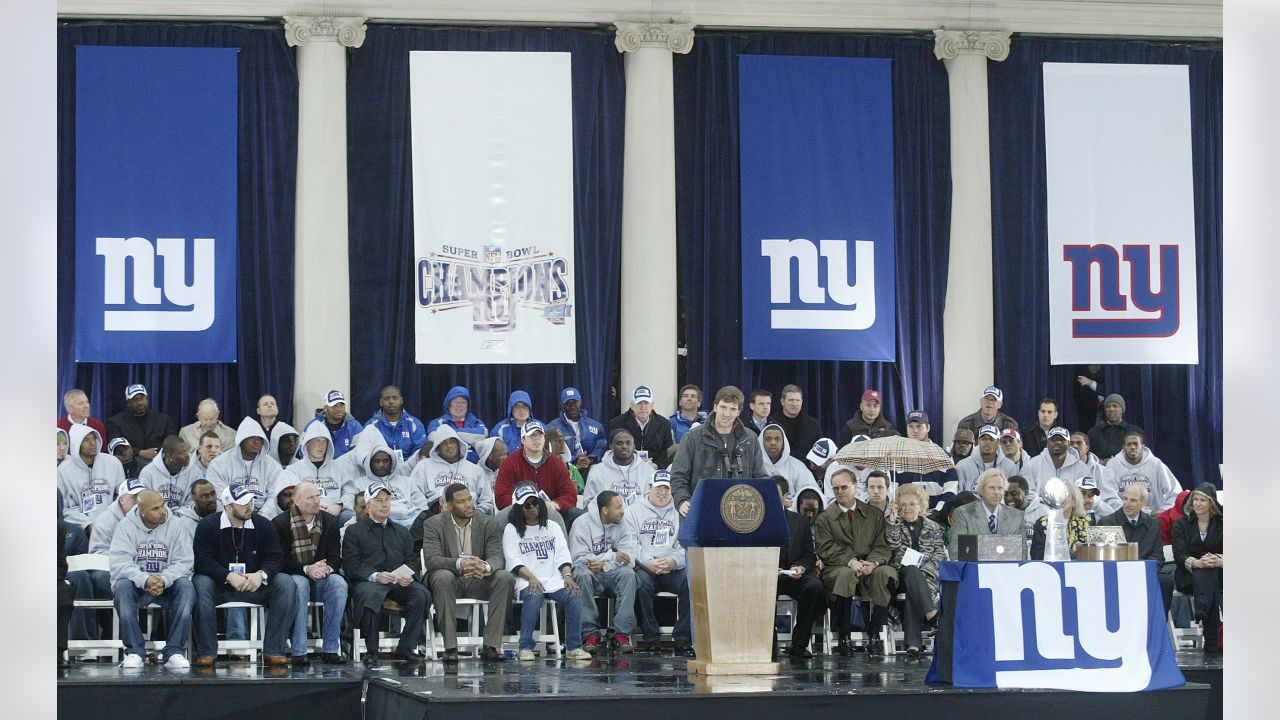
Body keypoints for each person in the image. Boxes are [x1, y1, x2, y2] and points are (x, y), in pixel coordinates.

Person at [191, 483, 296, 667]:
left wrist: (261, 575)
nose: (249, 506)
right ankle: (207, 651)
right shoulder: (208, 526)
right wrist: (228, 575)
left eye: (250, 501)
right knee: (200, 583)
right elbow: (202, 561)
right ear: (227, 506)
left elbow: (275, 557)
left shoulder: (263, 524)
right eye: (243, 503)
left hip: (254, 584)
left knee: (285, 582)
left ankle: (274, 650)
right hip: (221, 585)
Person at [420, 483, 514, 662]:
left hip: (479, 580)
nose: (468, 504)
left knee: (504, 577)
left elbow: (497, 557)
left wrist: (485, 567)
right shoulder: (433, 524)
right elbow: (432, 560)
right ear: (448, 505)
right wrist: (460, 564)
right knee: (441, 576)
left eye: (469, 499)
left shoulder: (488, 522)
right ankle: (450, 647)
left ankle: (491, 646)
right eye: (461, 501)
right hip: (450, 580)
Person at [342, 480, 431, 666]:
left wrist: (408, 575)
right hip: (369, 582)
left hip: (398, 582)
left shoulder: (401, 531)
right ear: (368, 505)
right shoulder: (354, 531)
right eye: (379, 500)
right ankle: (372, 651)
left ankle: (405, 647)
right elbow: (352, 565)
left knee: (421, 594)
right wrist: (376, 576)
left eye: (387, 500)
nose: (384, 504)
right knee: (371, 594)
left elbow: (411, 560)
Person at [503, 484, 592, 661]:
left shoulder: (552, 526)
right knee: (534, 594)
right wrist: (531, 578)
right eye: (527, 505)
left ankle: (574, 647)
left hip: (553, 580)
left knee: (573, 594)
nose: (533, 507)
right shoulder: (511, 530)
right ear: (519, 508)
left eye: (535, 502)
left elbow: (562, 554)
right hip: (526, 580)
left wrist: (567, 576)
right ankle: (525, 647)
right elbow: (513, 560)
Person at [109, 489, 195, 669]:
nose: (162, 510)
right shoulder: (126, 526)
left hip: (167, 586)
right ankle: (134, 652)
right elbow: (120, 562)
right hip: (138, 586)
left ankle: (174, 651)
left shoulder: (176, 525)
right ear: (142, 512)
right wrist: (145, 580)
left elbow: (185, 561)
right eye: (155, 508)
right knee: (122, 586)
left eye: (162, 505)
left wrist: (164, 579)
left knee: (186, 587)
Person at [815, 468, 897, 655]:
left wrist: (873, 563)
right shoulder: (825, 518)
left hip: (869, 567)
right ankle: (844, 635)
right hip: (839, 568)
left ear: (855, 486)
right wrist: (850, 561)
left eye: (844, 487)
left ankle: (875, 632)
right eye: (835, 488)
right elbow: (826, 548)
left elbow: (882, 545)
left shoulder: (873, 514)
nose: (839, 492)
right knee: (844, 576)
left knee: (887, 574)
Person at [271, 481, 348, 665]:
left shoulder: (330, 522)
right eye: (310, 497)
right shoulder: (280, 523)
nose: (316, 501)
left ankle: (330, 649)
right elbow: (279, 562)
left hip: (321, 576)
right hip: (295, 576)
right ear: (295, 500)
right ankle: (299, 651)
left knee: (339, 584)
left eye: (318, 496)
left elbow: (336, 558)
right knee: (300, 584)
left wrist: (326, 569)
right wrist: (307, 569)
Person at [670, 385, 765, 517]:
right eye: (723, 407)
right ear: (715, 407)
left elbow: (760, 476)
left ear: (739, 412)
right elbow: (678, 475)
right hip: (700, 511)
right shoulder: (691, 437)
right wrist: (682, 500)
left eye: (733, 409)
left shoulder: (750, 439)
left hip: (738, 515)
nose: (727, 414)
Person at [625, 471, 692, 655]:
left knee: (691, 581)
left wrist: (673, 561)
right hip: (646, 566)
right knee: (640, 583)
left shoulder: (681, 511)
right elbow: (630, 543)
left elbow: (685, 544)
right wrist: (648, 562)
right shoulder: (633, 510)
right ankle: (651, 637)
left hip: (672, 566)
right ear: (649, 488)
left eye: (666, 489)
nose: (662, 493)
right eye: (658, 488)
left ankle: (683, 636)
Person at [883, 483, 946, 666]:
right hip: (900, 574)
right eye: (903, 505)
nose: (907, 508)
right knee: (911, 571)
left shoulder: (934, 527)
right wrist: (893, 521)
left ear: (921, 505)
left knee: (914, 592)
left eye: (912, 504)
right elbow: (892, 547)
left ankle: (913, 647)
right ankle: (931, 613)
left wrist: (924, 571)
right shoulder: (893, 523)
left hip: (927, 577)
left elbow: (939, 555)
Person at [570, 490, 639, 654]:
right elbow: (578, 557)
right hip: (590, 573)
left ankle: (620, 634)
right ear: (605, 510)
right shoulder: (582, 523)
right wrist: (612, 556)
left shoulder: (624, 523)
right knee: (581, 573)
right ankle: (590, 634)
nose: (622, 510)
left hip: (611, 572)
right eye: (618, 507)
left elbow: (629, 558)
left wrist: (605, 564)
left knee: (629, 575)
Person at [772, 475, 825, 659]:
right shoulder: (758, 521)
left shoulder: (799, 521)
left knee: (814, 587)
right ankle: (769, 645)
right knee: (762, 590)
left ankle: (799, 644)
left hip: (794, 575)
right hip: (769, 576)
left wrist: (801, 567)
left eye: (774, 493)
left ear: (785, 496)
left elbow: (809, 554)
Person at [1099, 483, 1171, 613]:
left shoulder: (1153, 523)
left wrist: (1142, 570)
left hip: (1143, 571)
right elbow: (1104, 557)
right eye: (1125, 499)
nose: (1127, 503)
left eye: (1133, 500)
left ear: (1143, 503)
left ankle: (1158, 627)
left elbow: (1158, 557)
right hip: (1116, 573)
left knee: (1165, 581)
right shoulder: (1107, 522)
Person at [1171, 482, 1223, 654]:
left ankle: (1202, 607)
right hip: (1188, 576)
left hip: (1219, 574)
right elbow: (1179, 555)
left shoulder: (1224, 523)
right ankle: (1211, 644)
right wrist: (1196, 563)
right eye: (1195, 499)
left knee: (1211, 572)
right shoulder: (1181, 524)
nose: (1198, 503)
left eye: (1203, 500)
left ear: (1211, 503)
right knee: (1208, 576)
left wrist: (1220, 560)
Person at [494, 421, 579, 522]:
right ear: (523, 440)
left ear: (544, 439)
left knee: (577, 515)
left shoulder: (557, 463)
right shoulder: (510, 463)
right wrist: (526, 506)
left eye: (540, 435)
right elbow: (501, 497)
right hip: (520, 515)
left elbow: (570, 495)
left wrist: (555, 504)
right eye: (532, 436)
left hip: (552, 515)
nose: (536, 439)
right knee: (500, 519)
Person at [205, 417, 283, 516]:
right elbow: (220, 498)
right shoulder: (218, 465)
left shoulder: (273, 466)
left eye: (259, 438)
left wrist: (262, 516)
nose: (257, 441)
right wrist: (238, 516)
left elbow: (274, 497)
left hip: (263, 516)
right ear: (241, 440)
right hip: (231, 516)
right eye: (252, 438)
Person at [57, 424, 125, 532]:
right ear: (76, 444)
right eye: (86, 440)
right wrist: (88, 525)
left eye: (94, 438)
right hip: (81, 529)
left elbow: (122, 496)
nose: (93, 443)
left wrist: (111, 519)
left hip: (113, 523)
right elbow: (66, 508)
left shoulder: (113, 463)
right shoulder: (63, 470)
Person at [412, 425, 494, 514]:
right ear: (437, 447)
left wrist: (478, 514)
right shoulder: (423, 466)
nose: (449, 445)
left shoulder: (475, 469)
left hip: (470, 516)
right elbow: (415, 495)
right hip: (435, 516)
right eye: (444, 442)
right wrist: (429, 514)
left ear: (459, 444)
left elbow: (487, 500)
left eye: (452, 441)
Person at [947, 469, 1024, 559]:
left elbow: (1022, 553)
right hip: (975, 570)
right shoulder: (963, 514)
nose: (997, 492)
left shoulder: (1016, 516)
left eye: (1000, 488)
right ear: (981, 490)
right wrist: (1001, 548)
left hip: (1006, 570)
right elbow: (955, 551)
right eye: (992, 488)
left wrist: (978, 546)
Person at [358, 440, 426, 529]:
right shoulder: (358, 484)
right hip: (382, 525)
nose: (381, 465)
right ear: (370, 463)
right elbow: (354, 511)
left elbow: (423, 506)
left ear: (392, 462)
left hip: (413, 524)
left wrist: (416, 522)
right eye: (377, 461)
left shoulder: (408, 482)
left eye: (385, 461)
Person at [1108, 431, 1181, 513]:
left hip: (1153, 517)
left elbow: (1175, 492)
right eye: (1129, 444)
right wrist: (1129, 511)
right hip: (1123, 515)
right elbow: (1109, 495)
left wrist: (1164, 510)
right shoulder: (1113, 464)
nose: (1132, 447)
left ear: (1143, 447)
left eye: (1136, 444)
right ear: (1123, 448)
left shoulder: (1156, 464)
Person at [106, 383, 177, 465]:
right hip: (132, 465)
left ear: (147, 399)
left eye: (142, 398)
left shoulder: (163, 419)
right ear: (128, 403)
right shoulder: (115, 422)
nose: (140, 403)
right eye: (135, 399)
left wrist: (158, 452)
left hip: (161, 461)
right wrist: (140, 452)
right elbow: (117, 447)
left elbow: (172, 440)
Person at [583, 428, 655, 509]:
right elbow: (588, 504)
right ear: (611, 446)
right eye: (619, 443)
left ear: (634, 446)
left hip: (639, 519)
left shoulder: (647, 470)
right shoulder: (597, 471)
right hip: (607, 519)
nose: (624, 446)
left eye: (628, 443)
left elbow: (653, 502)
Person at [607, 385, 675, 469]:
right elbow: (611, 450)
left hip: (654, 469)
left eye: (646, 403)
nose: (643, 407)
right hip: (624, 467)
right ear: (632, 405)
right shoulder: (617, 423)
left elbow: (667, 451)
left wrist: (657, 465)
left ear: (652, 405)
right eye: (639, 403)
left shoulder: (664, 424)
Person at [547, 386, 607, 472]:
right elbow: (551, 452)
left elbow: (601, 447)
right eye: (568, 403)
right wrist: (574, 460)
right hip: (564, 468)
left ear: (580, 402)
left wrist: (591, 459)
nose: (572, 406)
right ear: (562, 405)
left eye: (575, 402)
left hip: (590, 467)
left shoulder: (596, 426)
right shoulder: (552, 428)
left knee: (596, 470)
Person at [1019, 426, 1091, 495]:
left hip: (1071, 506)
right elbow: (1027, 494)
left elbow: (1086, 495)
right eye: (1053, 439)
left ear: (1069, 444)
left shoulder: (1080, 467)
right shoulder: (1032, 464)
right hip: (1040, 507)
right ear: (1047, 443)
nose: (1058, 442)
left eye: (1062, 440)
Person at [366, 384, 427, 464]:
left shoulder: (415, 424)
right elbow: (366, 453)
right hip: (381, 470)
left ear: (401, 400)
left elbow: (420, 453)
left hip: (409, 470)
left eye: (395, 398)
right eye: (387, 399)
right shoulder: (371, 425)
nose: (391, 401)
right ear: (381, 402)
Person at [759, 423, 820, 502]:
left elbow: (811, 494)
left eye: (777, 439)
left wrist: (791, 505)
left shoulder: (797, 466)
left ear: (784, 443)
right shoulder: (754, 465)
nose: (773, 443)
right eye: (768, 439)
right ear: (761, 442)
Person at [1029, 482, 1091, 560]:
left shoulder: (1087, 523)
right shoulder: (1041, 523)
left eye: (1065, 496)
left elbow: (1089, 553)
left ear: (1074, 502)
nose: (1060, 499)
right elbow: (1036, 554)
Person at [139, 435, 200, 510]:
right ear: (169, 456)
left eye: (186, 451)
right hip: (156, 517)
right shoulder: (148, 472)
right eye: (181, 452)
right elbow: (145, 502)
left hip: (184, 517)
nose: (187, 455)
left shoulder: (195, 473)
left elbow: (194, 503)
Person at [954, 425, 1018, 493]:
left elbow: (1012, 494)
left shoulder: (1009, 466)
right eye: (984, 439)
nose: (987, 442)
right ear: (978, 441)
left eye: (991, 439)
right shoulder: (962, 466)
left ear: (998, 442)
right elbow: (958, 496)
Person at [1070, 432, 1120, 515]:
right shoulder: (1062, 468)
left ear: (1087, 448)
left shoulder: (1101, 471)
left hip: (1095, 514)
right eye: (1071, 444)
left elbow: (1111, 498)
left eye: (1079, 443)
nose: (1075, 446)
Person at [1087, 394, 1144, 464]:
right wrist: (1100, 462)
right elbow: (1088, 456)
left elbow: (1142, 455)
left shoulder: (1135, 431)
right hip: (1101, 470)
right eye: (1108, 406)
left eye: (1115, 406)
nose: (1111, 409)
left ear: (1122, 410)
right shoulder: (1093, 432)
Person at [773, 385, 823, 464]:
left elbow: (819, 450)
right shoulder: (772, 424)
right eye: (791, 400)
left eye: (797, 400)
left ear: (802, 401)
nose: (794, 404)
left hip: (807, 469)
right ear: (782, 402)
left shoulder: (813, 424)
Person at [307, 390, 364, 459]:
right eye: (334, 406)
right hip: (320, 468)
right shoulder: (313, 426)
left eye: (341, 405)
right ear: (325, 408)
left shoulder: (354, 426)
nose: (339, 409)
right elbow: (303, 453)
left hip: (347, 468)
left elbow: (362, 453)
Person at [954, 386, 1019, 439]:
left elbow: (1017, 450)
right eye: (987, 398)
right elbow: (958, 450)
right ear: (981, 401)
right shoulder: (966, 424)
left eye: (994, 400)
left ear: (1000, 405)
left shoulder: (1009, 424)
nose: (989, 402)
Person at [1003, 475, 1046, 553]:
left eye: (1014, 494)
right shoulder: (1001, 513)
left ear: (1025, 493)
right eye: (1006, 494)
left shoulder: (1043, 512)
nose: (1008, 498)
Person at [545, 428, 586, 493]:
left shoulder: (572, 469)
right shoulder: (541, 468)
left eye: (564, 440)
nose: (563, 444)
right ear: (547, 444)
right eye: (558, 441)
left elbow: (582, 493)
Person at [1073, 364, 1107, 431]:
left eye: (1098, 365)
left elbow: (1108, 390)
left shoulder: (1107, 378)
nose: (1096, 367)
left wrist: (1091, 383)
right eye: (1092, 365)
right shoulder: (1079, 379)